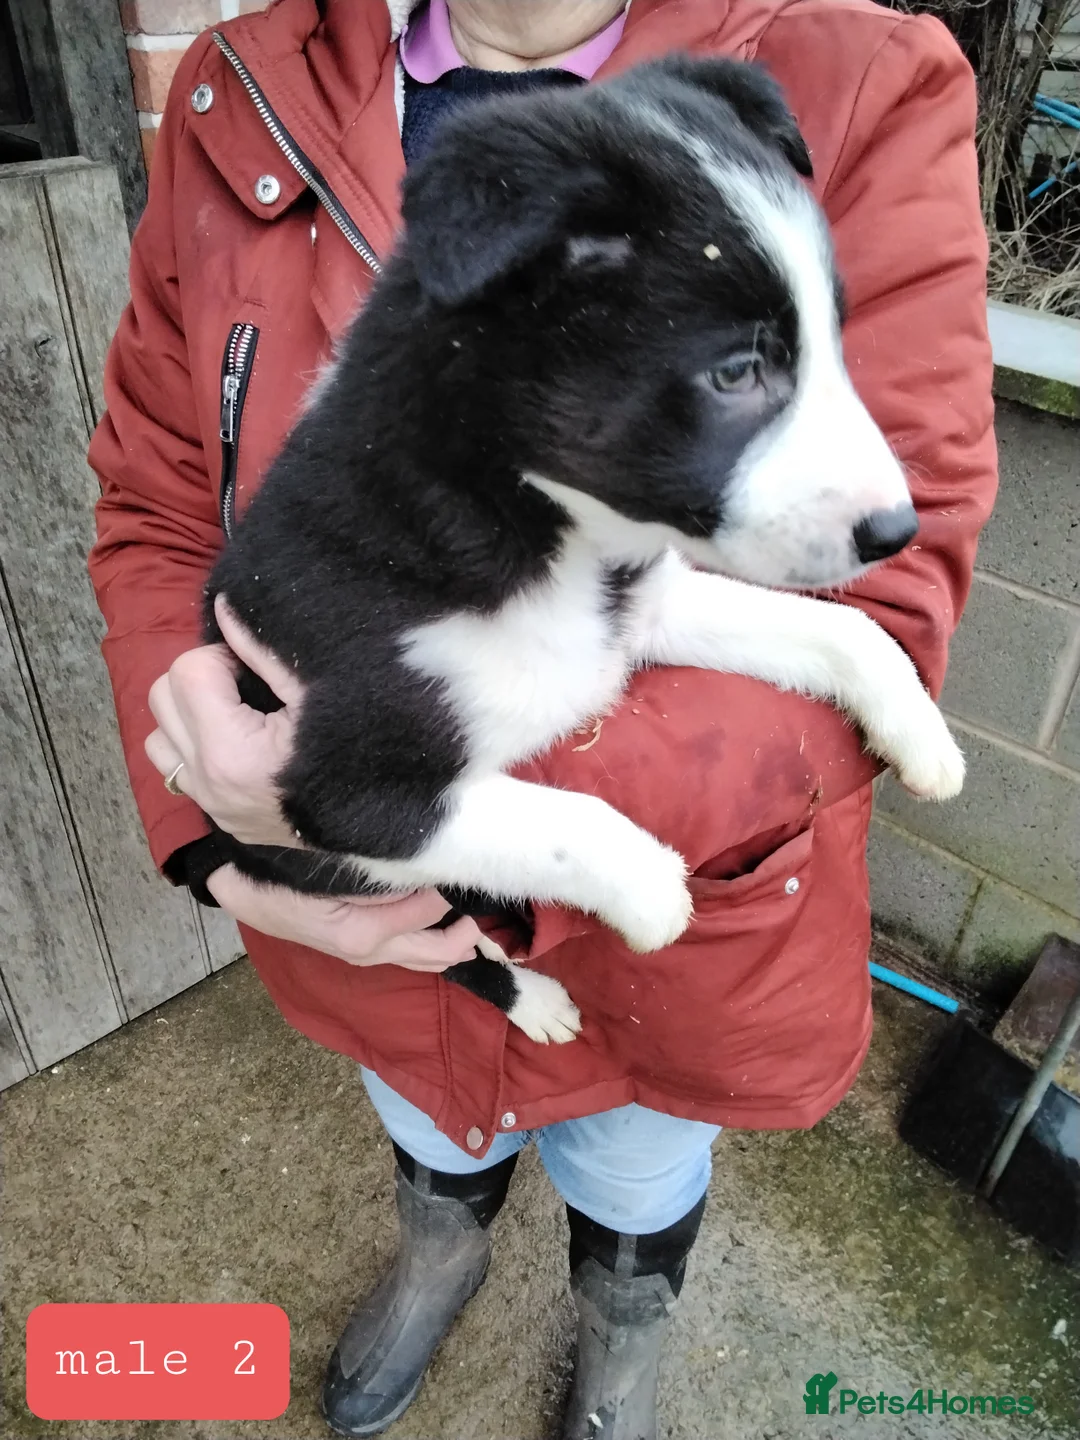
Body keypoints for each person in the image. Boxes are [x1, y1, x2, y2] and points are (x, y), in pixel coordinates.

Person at [88, 1, 996, 1436]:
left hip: (691, 949)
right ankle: (439, 1253)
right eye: (753, 368)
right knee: (416, 1108)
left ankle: (623, 1330)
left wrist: (826, 681)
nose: (852, 450)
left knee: (639, 1169)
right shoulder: (241, 84)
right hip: (365, 930)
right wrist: (209, 819)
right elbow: (147, 499)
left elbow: (877, 578)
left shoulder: (843, 78)